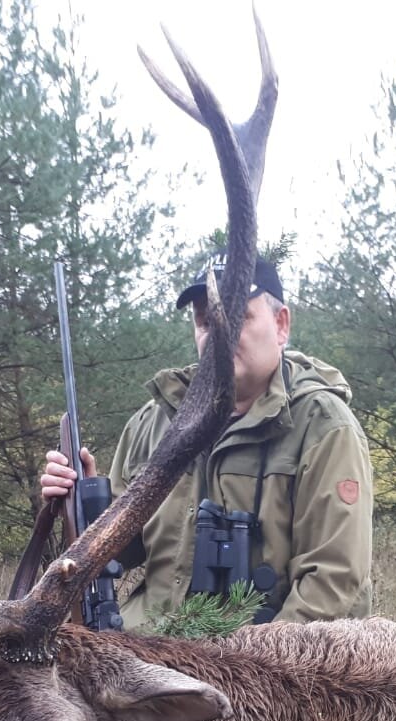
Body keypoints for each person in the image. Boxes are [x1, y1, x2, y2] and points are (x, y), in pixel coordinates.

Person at [41, 254, 373, 628]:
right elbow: (123, 554)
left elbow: (334, 584)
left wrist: (259, 673)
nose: (217, 335)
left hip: (256, 666)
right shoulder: (154, 422)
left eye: (236, 319)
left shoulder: (324, 427)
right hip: (142, 648)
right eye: (204, 322)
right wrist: (84, 501)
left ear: (281, 326)